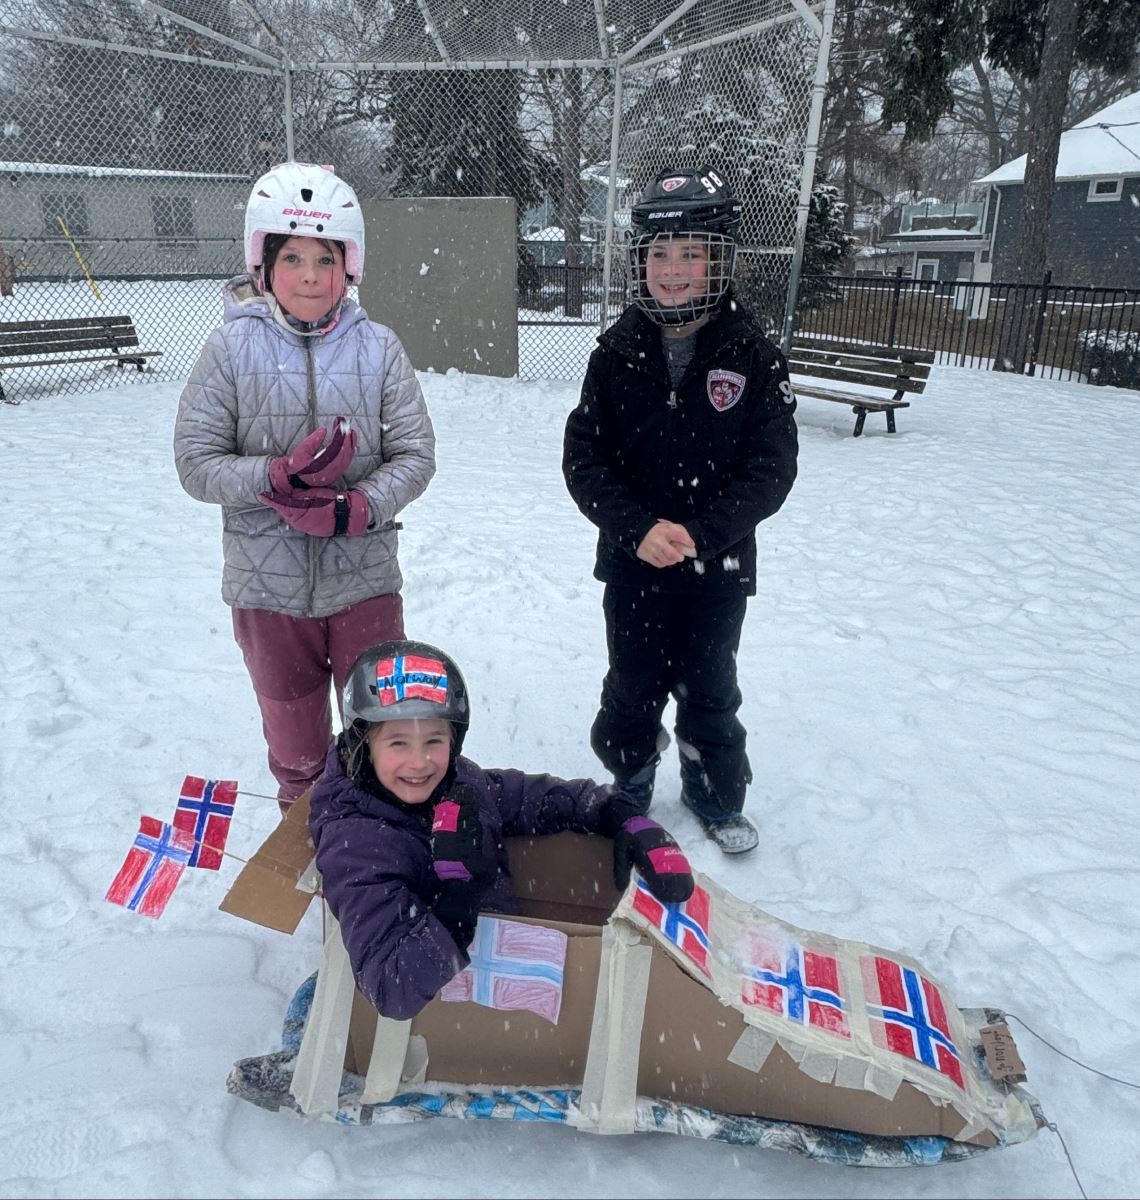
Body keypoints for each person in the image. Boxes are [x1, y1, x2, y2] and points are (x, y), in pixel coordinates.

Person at [174, 162, 436, 814]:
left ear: (350, 265)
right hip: (268, 593)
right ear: (263, 265)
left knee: (379, 731)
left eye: (326, 258)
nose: (311, 275)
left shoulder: (380, 349)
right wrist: (274, 475)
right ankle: (310, 829)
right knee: (297, 750)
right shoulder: (230, 350)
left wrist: (358, 507)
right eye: (292, 257)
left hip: (364, 583)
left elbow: (415, 454)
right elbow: (196, 463)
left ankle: (380, 835)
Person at [562, 165, 798, 855]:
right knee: (631, 684)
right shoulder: (614, 354)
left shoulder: (752, 355)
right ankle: (631, 777)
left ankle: (713, 791)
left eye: (691, 253)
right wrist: (637, 529)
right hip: (634, 564)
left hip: (715, 568)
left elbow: (771, 469)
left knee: (710, 685)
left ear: (719, 260)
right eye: (659, 253)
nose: (672, 270)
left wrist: (701, 532)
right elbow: (584, 460)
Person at [308, 640, 695, 1021]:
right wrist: (457, 902)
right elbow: (390, 986)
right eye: (398, 743)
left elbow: (535, 798)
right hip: (450, 1009)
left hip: (511, 972)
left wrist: (620, 813)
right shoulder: (357, 844)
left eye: (434, 740)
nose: (419, 761)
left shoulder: (458, 784)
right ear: (363, 744)